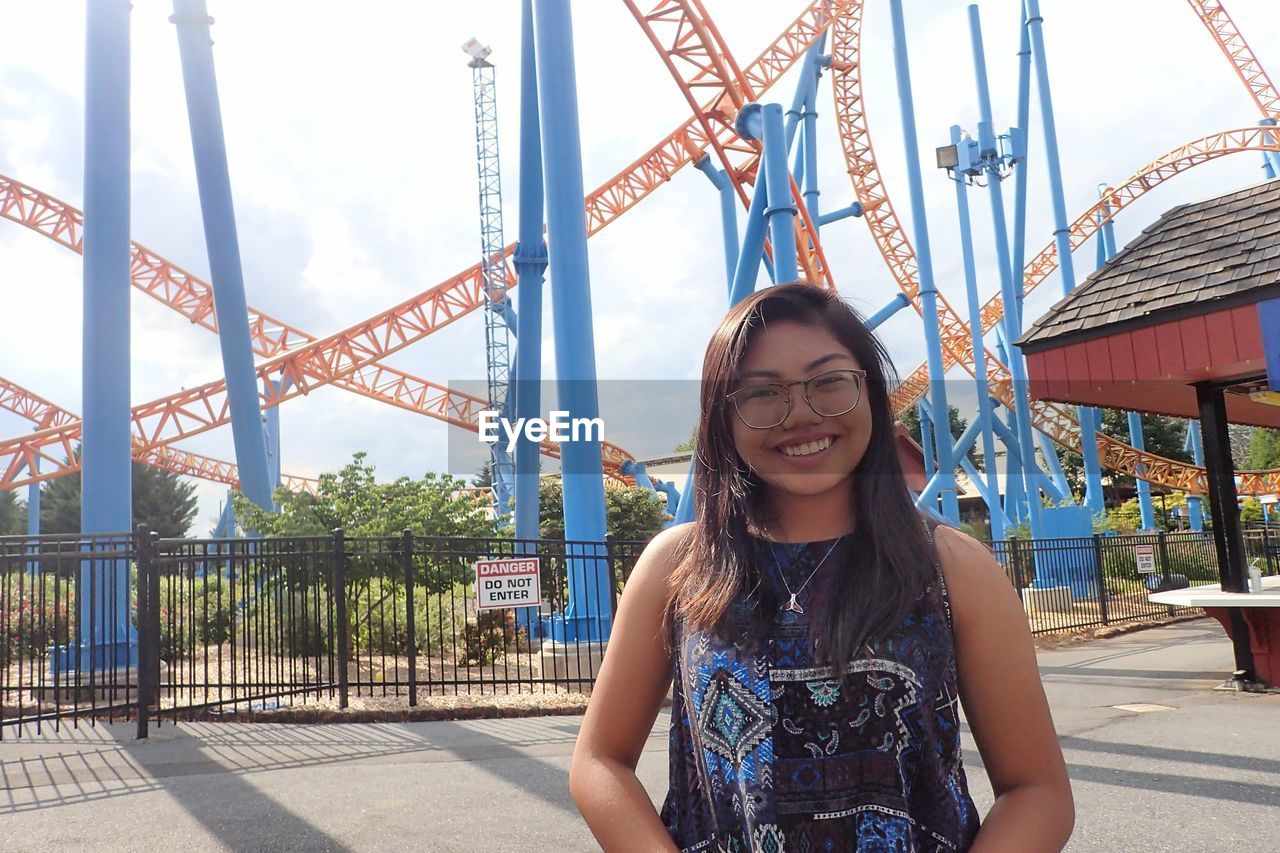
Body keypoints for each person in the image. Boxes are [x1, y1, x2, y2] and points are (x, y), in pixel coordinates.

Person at [570, 283, 1073, 851]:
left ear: (872, 393)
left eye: (830, 381)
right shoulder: (681, 564)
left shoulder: (953, 567)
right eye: (761, 394)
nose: (801, 415)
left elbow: (1036, 791)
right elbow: (598, 761)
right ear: (723, 418)